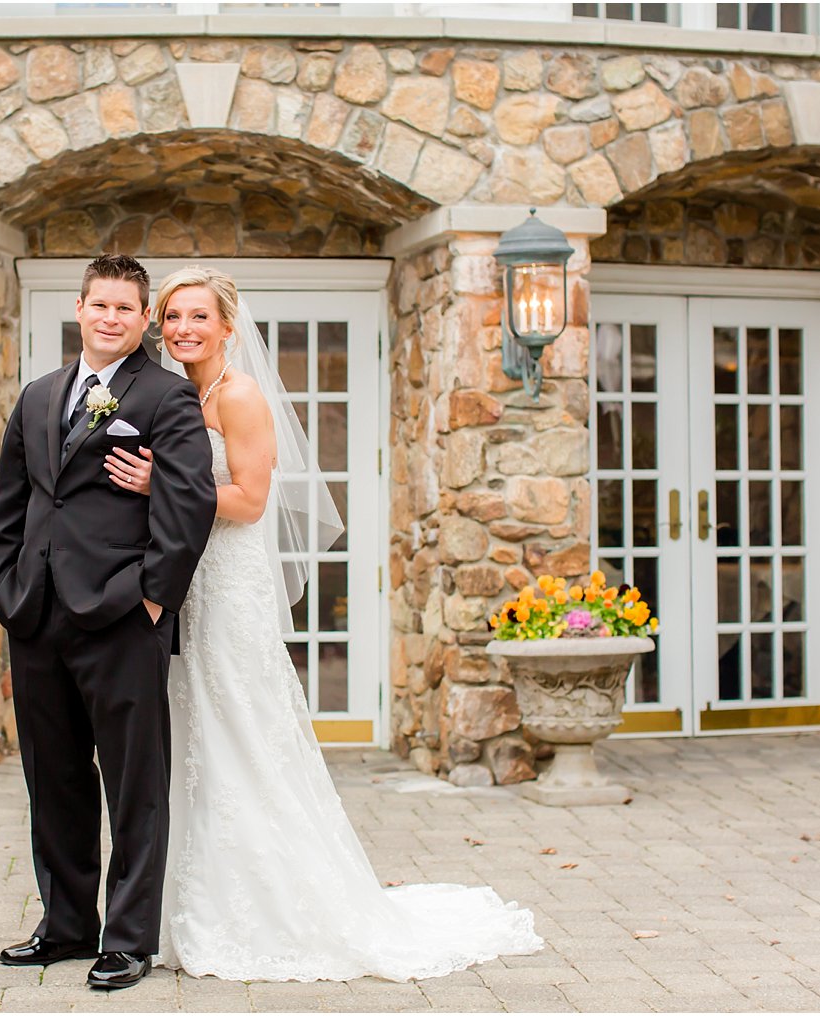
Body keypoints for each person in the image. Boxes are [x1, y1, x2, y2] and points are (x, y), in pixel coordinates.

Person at [103, 265, 544, 981]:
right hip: (187, 582)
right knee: (191, 735)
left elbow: (248, 501)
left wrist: (167, 485)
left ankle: (273, 906)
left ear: (227, 324)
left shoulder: (240, 395)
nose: (182, 328)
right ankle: (182, 903)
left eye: (198, 317)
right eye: (173, 317)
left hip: (230, 582)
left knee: (243, 729)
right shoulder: (176, 391)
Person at [0, 254, 217, 990]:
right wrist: (6, 588)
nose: (111, 318)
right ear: (79, 308)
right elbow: (10, 506)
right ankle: (64, 927)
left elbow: (190, 505)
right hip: (37, 618)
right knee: (53, 780)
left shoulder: (166, 396)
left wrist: (152, 599)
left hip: (121, 616)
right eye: (100, 305)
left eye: (126, 308)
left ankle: (128, 939)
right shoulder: (39, 395)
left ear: (142, 318)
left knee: (133, 783)